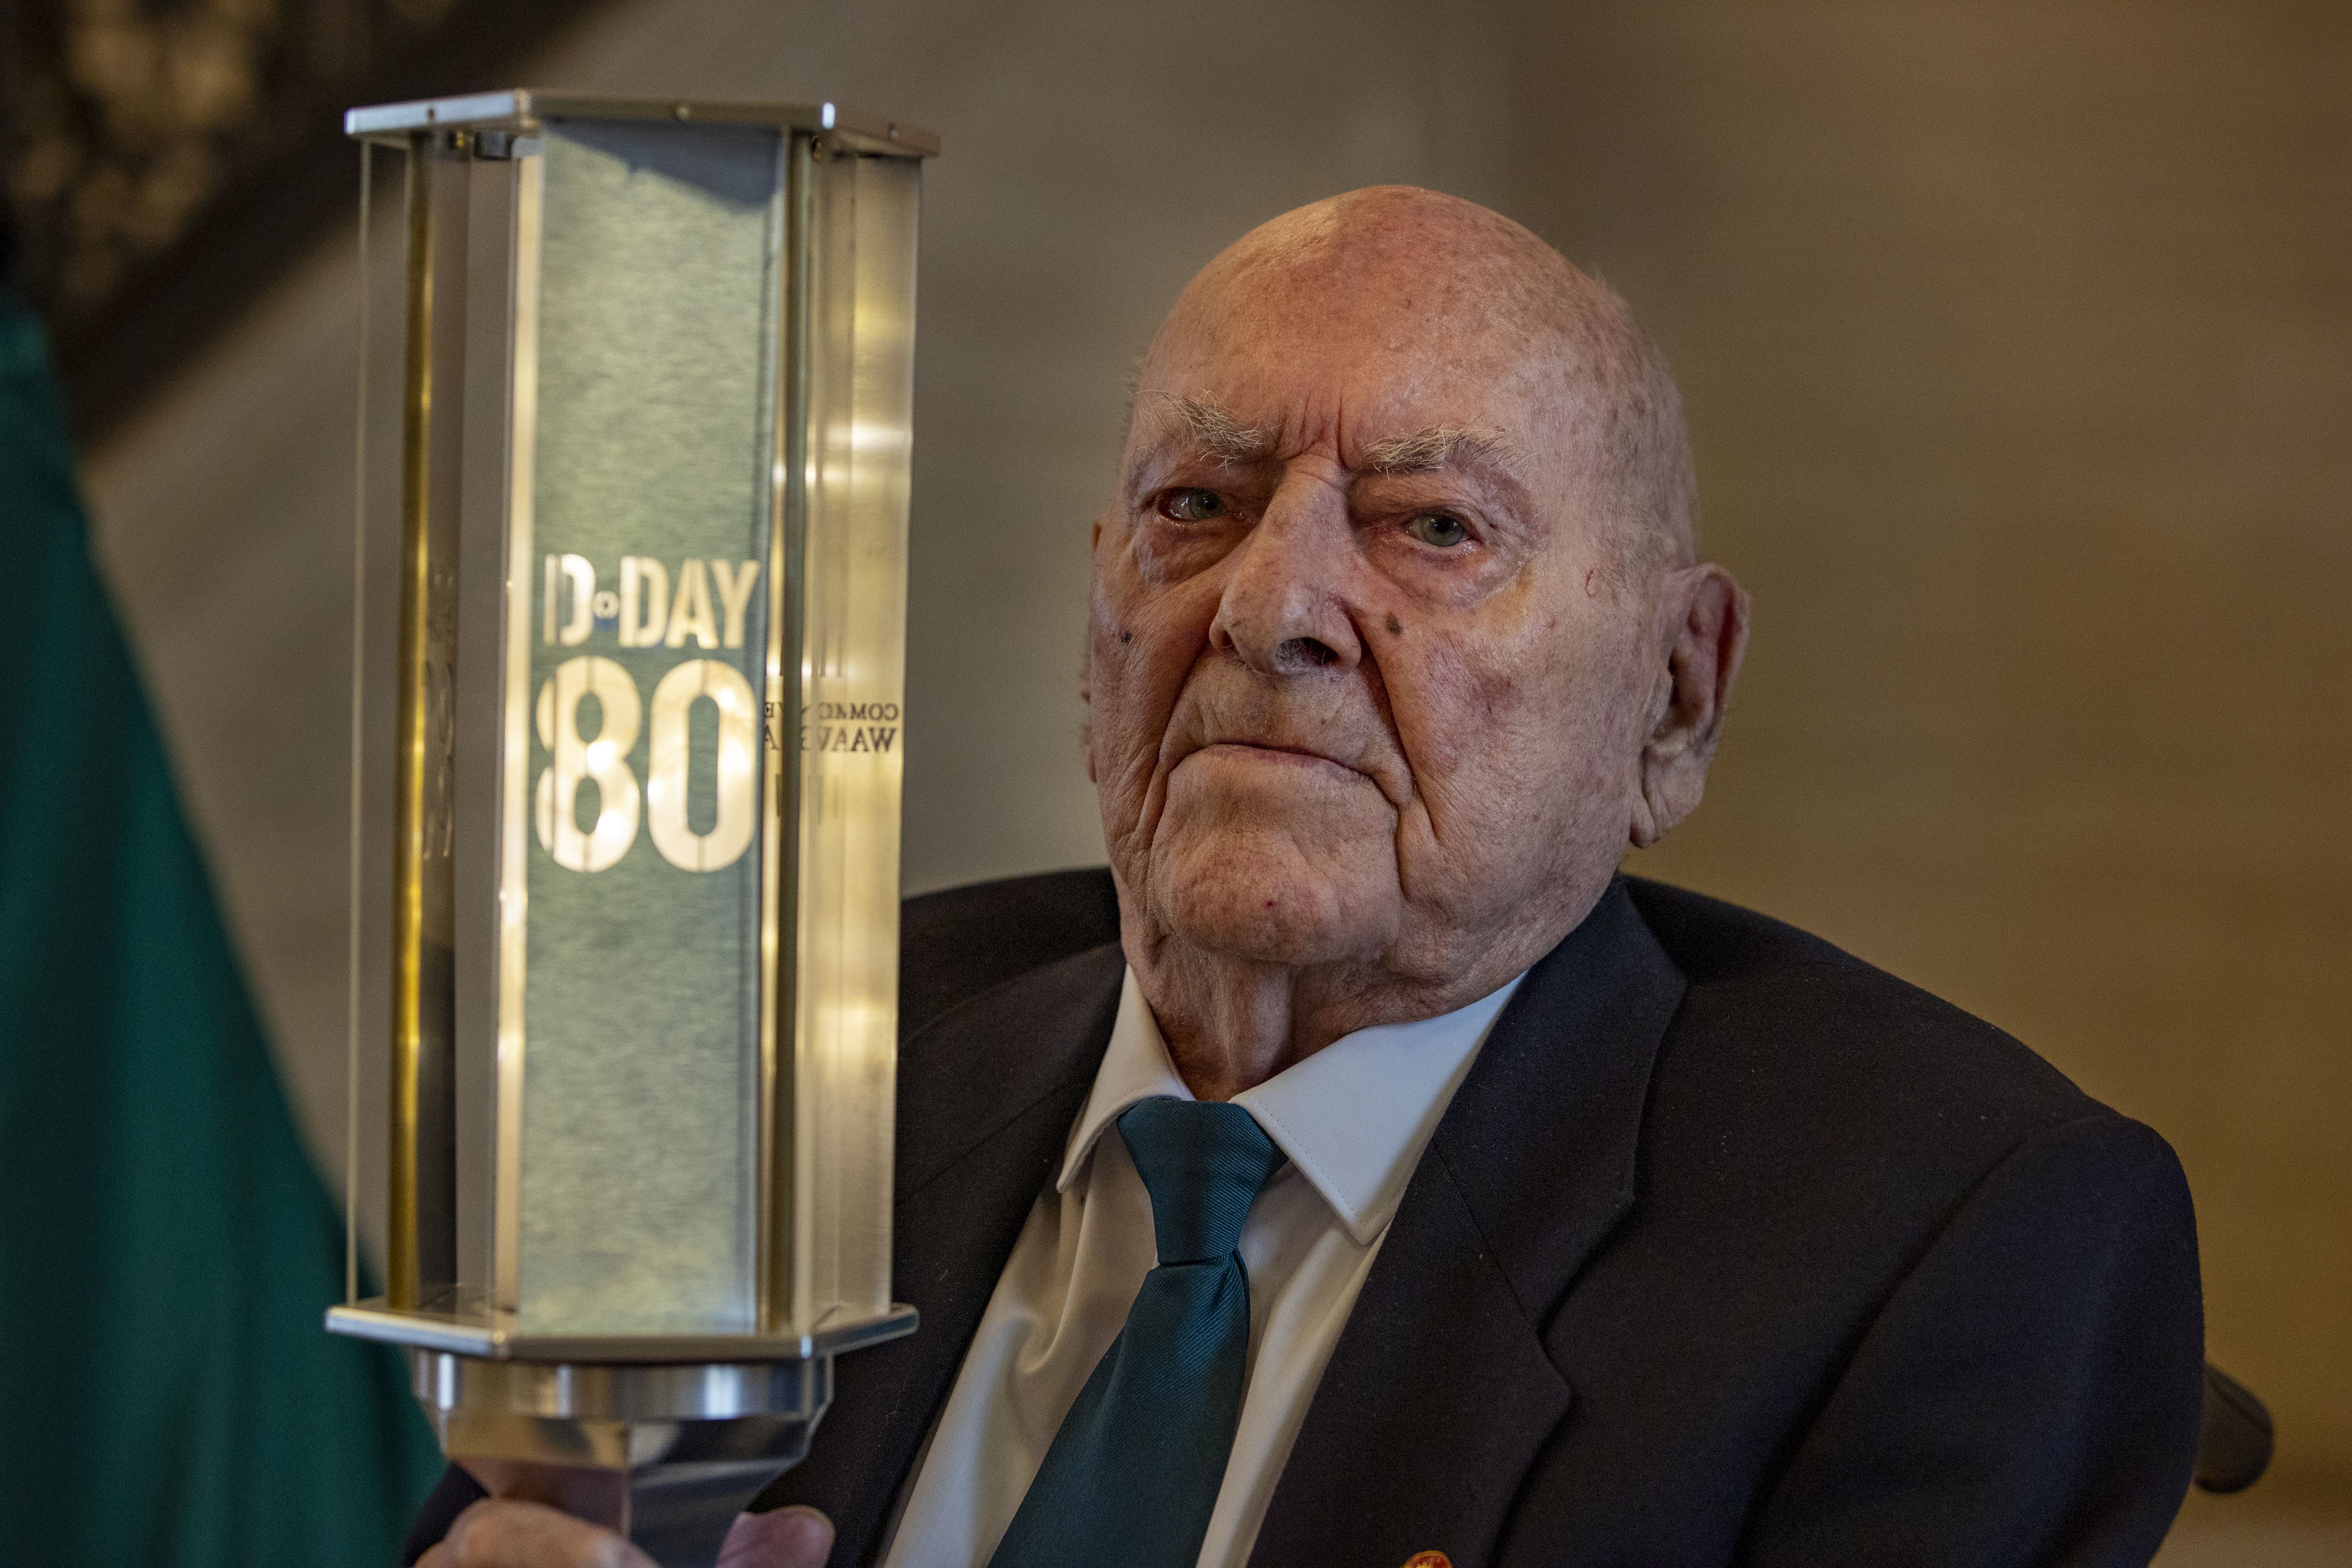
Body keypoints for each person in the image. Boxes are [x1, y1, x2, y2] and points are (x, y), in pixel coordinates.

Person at [410, 187, 2203, 1568]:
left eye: (1434, 528)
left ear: (1673, 694)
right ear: (1096, 600)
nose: (1268, 609)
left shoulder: (1944, 1243)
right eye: (1198, 503)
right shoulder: (787, 1072)